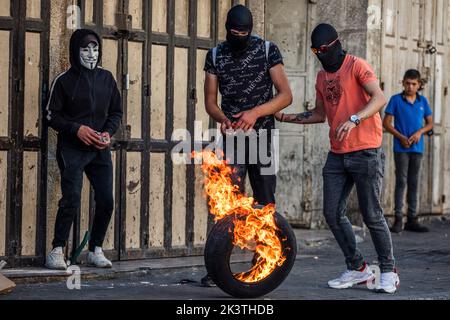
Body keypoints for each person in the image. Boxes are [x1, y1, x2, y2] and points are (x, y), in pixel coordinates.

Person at [275, 23, 399, 294]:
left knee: (372, 215)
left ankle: (388, 271)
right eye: (316, 51)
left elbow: (379, 98)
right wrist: (286, 117)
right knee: (332, 213)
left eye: (324, 50)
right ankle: (357, 268)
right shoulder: (321, 77)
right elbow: (320, 114)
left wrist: (354, 119)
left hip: (365, 150)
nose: (321, 55)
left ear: (336, 44)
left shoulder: (356, 66)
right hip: (337, 154)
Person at [201, 5, 292, 287]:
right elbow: (210, 102)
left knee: (265, 203)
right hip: (231, 140)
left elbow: (286, 96)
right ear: (227, 28)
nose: (240, 36)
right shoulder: (215, 55)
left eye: (245, 32)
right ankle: (219, 269)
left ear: (251, 30)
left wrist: (256, 113)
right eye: (235, 32)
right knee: (227, 207)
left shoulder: (267, 50)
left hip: (262, 138)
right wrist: (224, 119)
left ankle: (264, 264)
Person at [45, 29, 123, 270]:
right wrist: (76, 129)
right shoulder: (64, 80)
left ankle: (95, 250)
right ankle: (57, 250)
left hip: (99, 149)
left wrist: (108, 133)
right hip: (72, 149)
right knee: (71, 198)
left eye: (95, 49)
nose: (91, 54)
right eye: (85, 49)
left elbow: (116, 112)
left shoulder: (107, 79)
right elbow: (50, 116)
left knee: (106, 200)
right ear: (74, 51)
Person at [383, 69, 433, 233]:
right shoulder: (396, 100)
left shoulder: (423, 101)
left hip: (417, 148)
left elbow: (430, 124)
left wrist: (419, 132)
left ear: (419, 85)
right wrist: (401, 137)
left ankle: (412, 218)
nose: (410, 87)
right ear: (403, 83)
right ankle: (398, 219)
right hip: (401, 147)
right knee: (401, 181)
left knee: (414, 182)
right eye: (407, 83)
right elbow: (387, 123)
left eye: (414, 84)